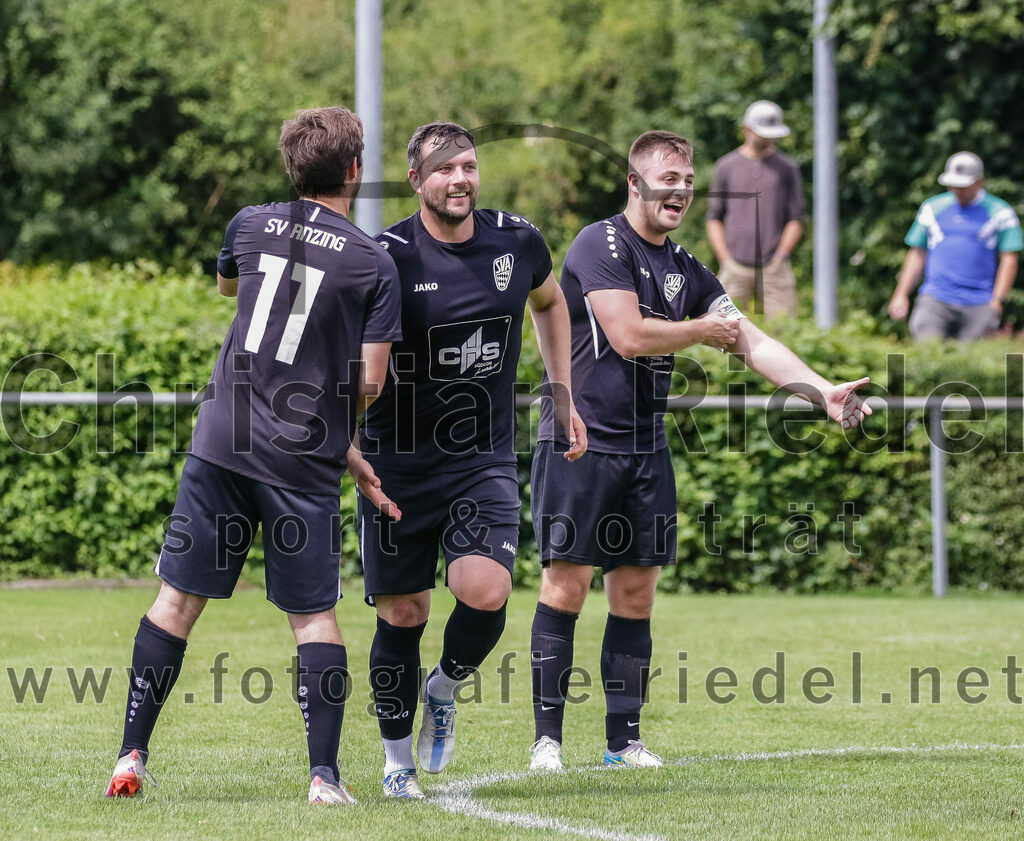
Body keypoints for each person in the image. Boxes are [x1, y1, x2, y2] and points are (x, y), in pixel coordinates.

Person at [529, 130, 871, 772]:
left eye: (688, 180)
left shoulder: (687, 268)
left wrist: (822, 391)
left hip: (645, 448)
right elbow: (628, 335)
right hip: (580, 439)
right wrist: (702, 331)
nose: (680, 189)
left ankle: (622, 742)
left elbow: (752, 341)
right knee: (566, 586)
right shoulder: (599, 244)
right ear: (634, 183)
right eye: (667, 177)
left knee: (635, 595)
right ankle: (548, 739)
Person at [104, 106, 402, 805]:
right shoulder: (372, 262)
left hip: (221, 441)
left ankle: (130, 753)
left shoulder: (247, 223)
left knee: (175, 601)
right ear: (354, 169)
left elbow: (232, 290)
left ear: (291, 166)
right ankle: (324, 777)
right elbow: (373, 379)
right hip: (300, 459)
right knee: (314, 617)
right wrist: (337, 426)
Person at [350, 121, 586, 799]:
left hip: (479, 456)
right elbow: (352, 353)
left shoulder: (516, 239)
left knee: (486, 590)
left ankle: (444, 685)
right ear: (416, 180)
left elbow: (550, 302)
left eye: (469, 167)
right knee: (403, 613)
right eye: (444, 169)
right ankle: (399, 763)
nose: (459, 180)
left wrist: (560, 391)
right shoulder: (386, 255)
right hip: (395, 460)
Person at [889, 151, 1022, 340]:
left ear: (979, 181)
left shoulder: (1000, 213)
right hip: (936, 297)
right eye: (953, 185)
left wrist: (997, 300)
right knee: (927, 349)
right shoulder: (932, 208)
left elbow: (1009, 259)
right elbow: (917, 253)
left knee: (971, 363)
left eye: (963, 186)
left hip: (980, 302)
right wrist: (901, 293)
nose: (957, 190)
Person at [706, 100, 805, 320]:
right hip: (734, 264)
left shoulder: (787, 168)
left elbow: (796, 218)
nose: (768, 138)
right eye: (762, 133)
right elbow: (713, 217)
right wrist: (725, 259)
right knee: (721, 329)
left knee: (783, 329)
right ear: (746, 129)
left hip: (774, 266)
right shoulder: (726, 166)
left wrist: (781, 255)